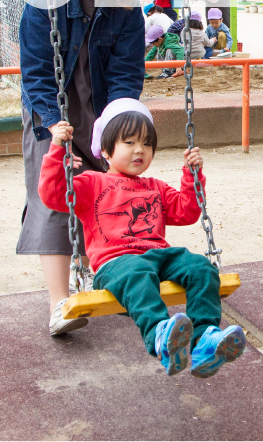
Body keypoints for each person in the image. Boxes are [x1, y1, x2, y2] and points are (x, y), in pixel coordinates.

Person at [39, 99, 246, 377]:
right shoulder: (92, 183)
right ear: (105, 150)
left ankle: (204, 339)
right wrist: (55, 152)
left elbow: (187, 212)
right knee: (137, 270)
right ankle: (160, 335)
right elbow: (53, 195)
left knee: (199, 267)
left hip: (158, 257)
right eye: (129, 142)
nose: (140, 150)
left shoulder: (156, 188)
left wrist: (192, 176)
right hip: (117, 265)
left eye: (147, 144)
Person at [18, 0, 145, 336]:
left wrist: (117, 126)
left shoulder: (126, 9)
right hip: (50, 111)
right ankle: (59, 304)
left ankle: (89, 272)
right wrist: (56, 129)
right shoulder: (46, 1)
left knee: (103, 191)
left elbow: (127, 74)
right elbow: (37, 74)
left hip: (102, 108)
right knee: (55, 194)